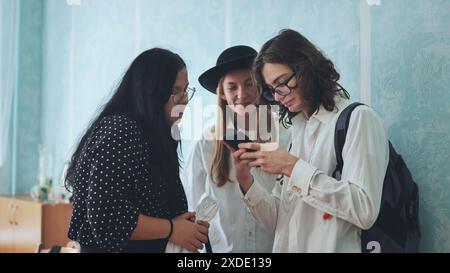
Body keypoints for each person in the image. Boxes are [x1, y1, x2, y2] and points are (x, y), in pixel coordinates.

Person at [236, 29, 389, 252]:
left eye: (281, 82)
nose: (278, 96)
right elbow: (278, 221)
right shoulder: (297, 134)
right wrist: (246, 180)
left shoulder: (359, 119)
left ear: (306, 68)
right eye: (271, 89)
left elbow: (364, 209)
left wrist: (291, 166)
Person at [65, 48, 209, 253]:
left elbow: (140, 204)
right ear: (152, 92)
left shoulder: (152, 132)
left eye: (186, 90)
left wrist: (175, 222)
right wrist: (171, 228)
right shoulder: (122, 131)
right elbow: (107, 216)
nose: (184, 99)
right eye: (176, 91)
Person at [182, 45, 289, 252]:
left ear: (260, 86)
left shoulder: (284, 136)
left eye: (249, 84)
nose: (242, 94)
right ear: (222, 93)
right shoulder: (206, 143)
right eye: (232, 87)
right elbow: (193, 208)